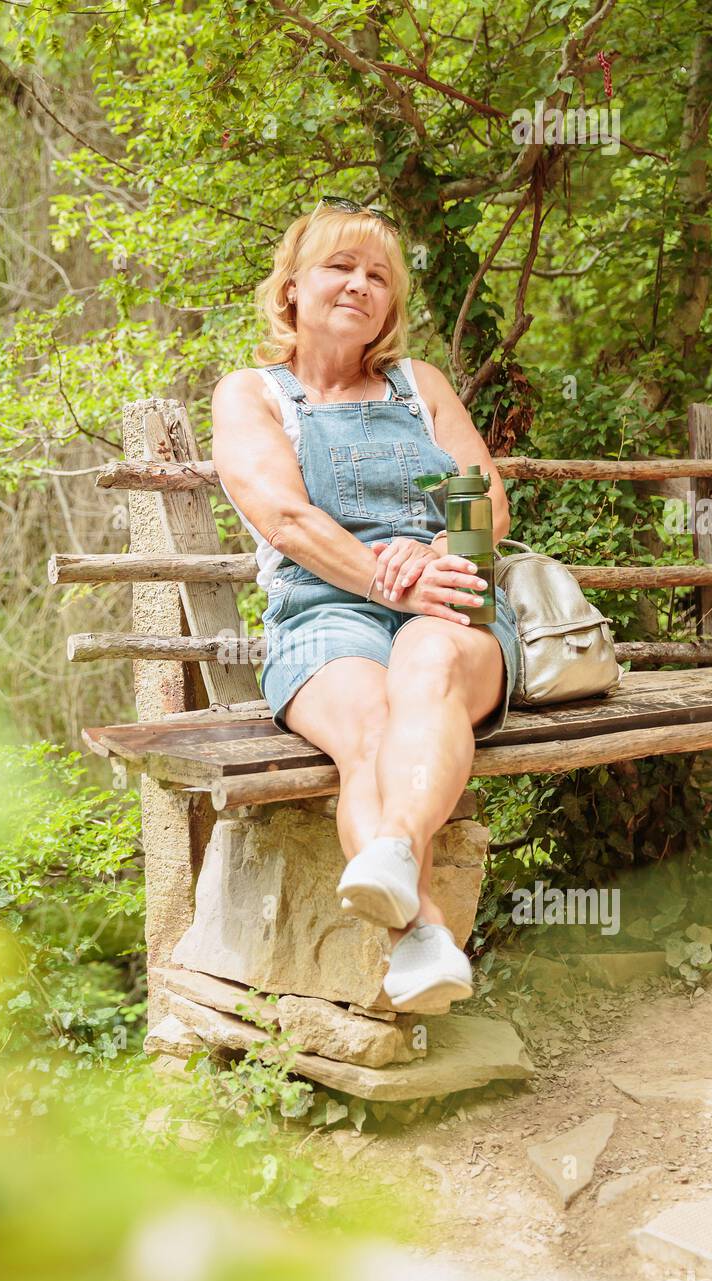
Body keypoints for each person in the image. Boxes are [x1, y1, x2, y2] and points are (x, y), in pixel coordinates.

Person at [211, 197, 522, 1014]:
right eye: (339, 266)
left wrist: (436, 562)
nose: (358, 284)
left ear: (390, 304)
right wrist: (391, 578)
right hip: (321, 613)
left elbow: (483, 498)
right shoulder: (252, 395)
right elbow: (285, 517)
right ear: (291, 289)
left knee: (424, 667)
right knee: (369, 733)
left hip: (452, 598)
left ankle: (393, 855)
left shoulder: (418, 386)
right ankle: (417, 939)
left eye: (377, 275)